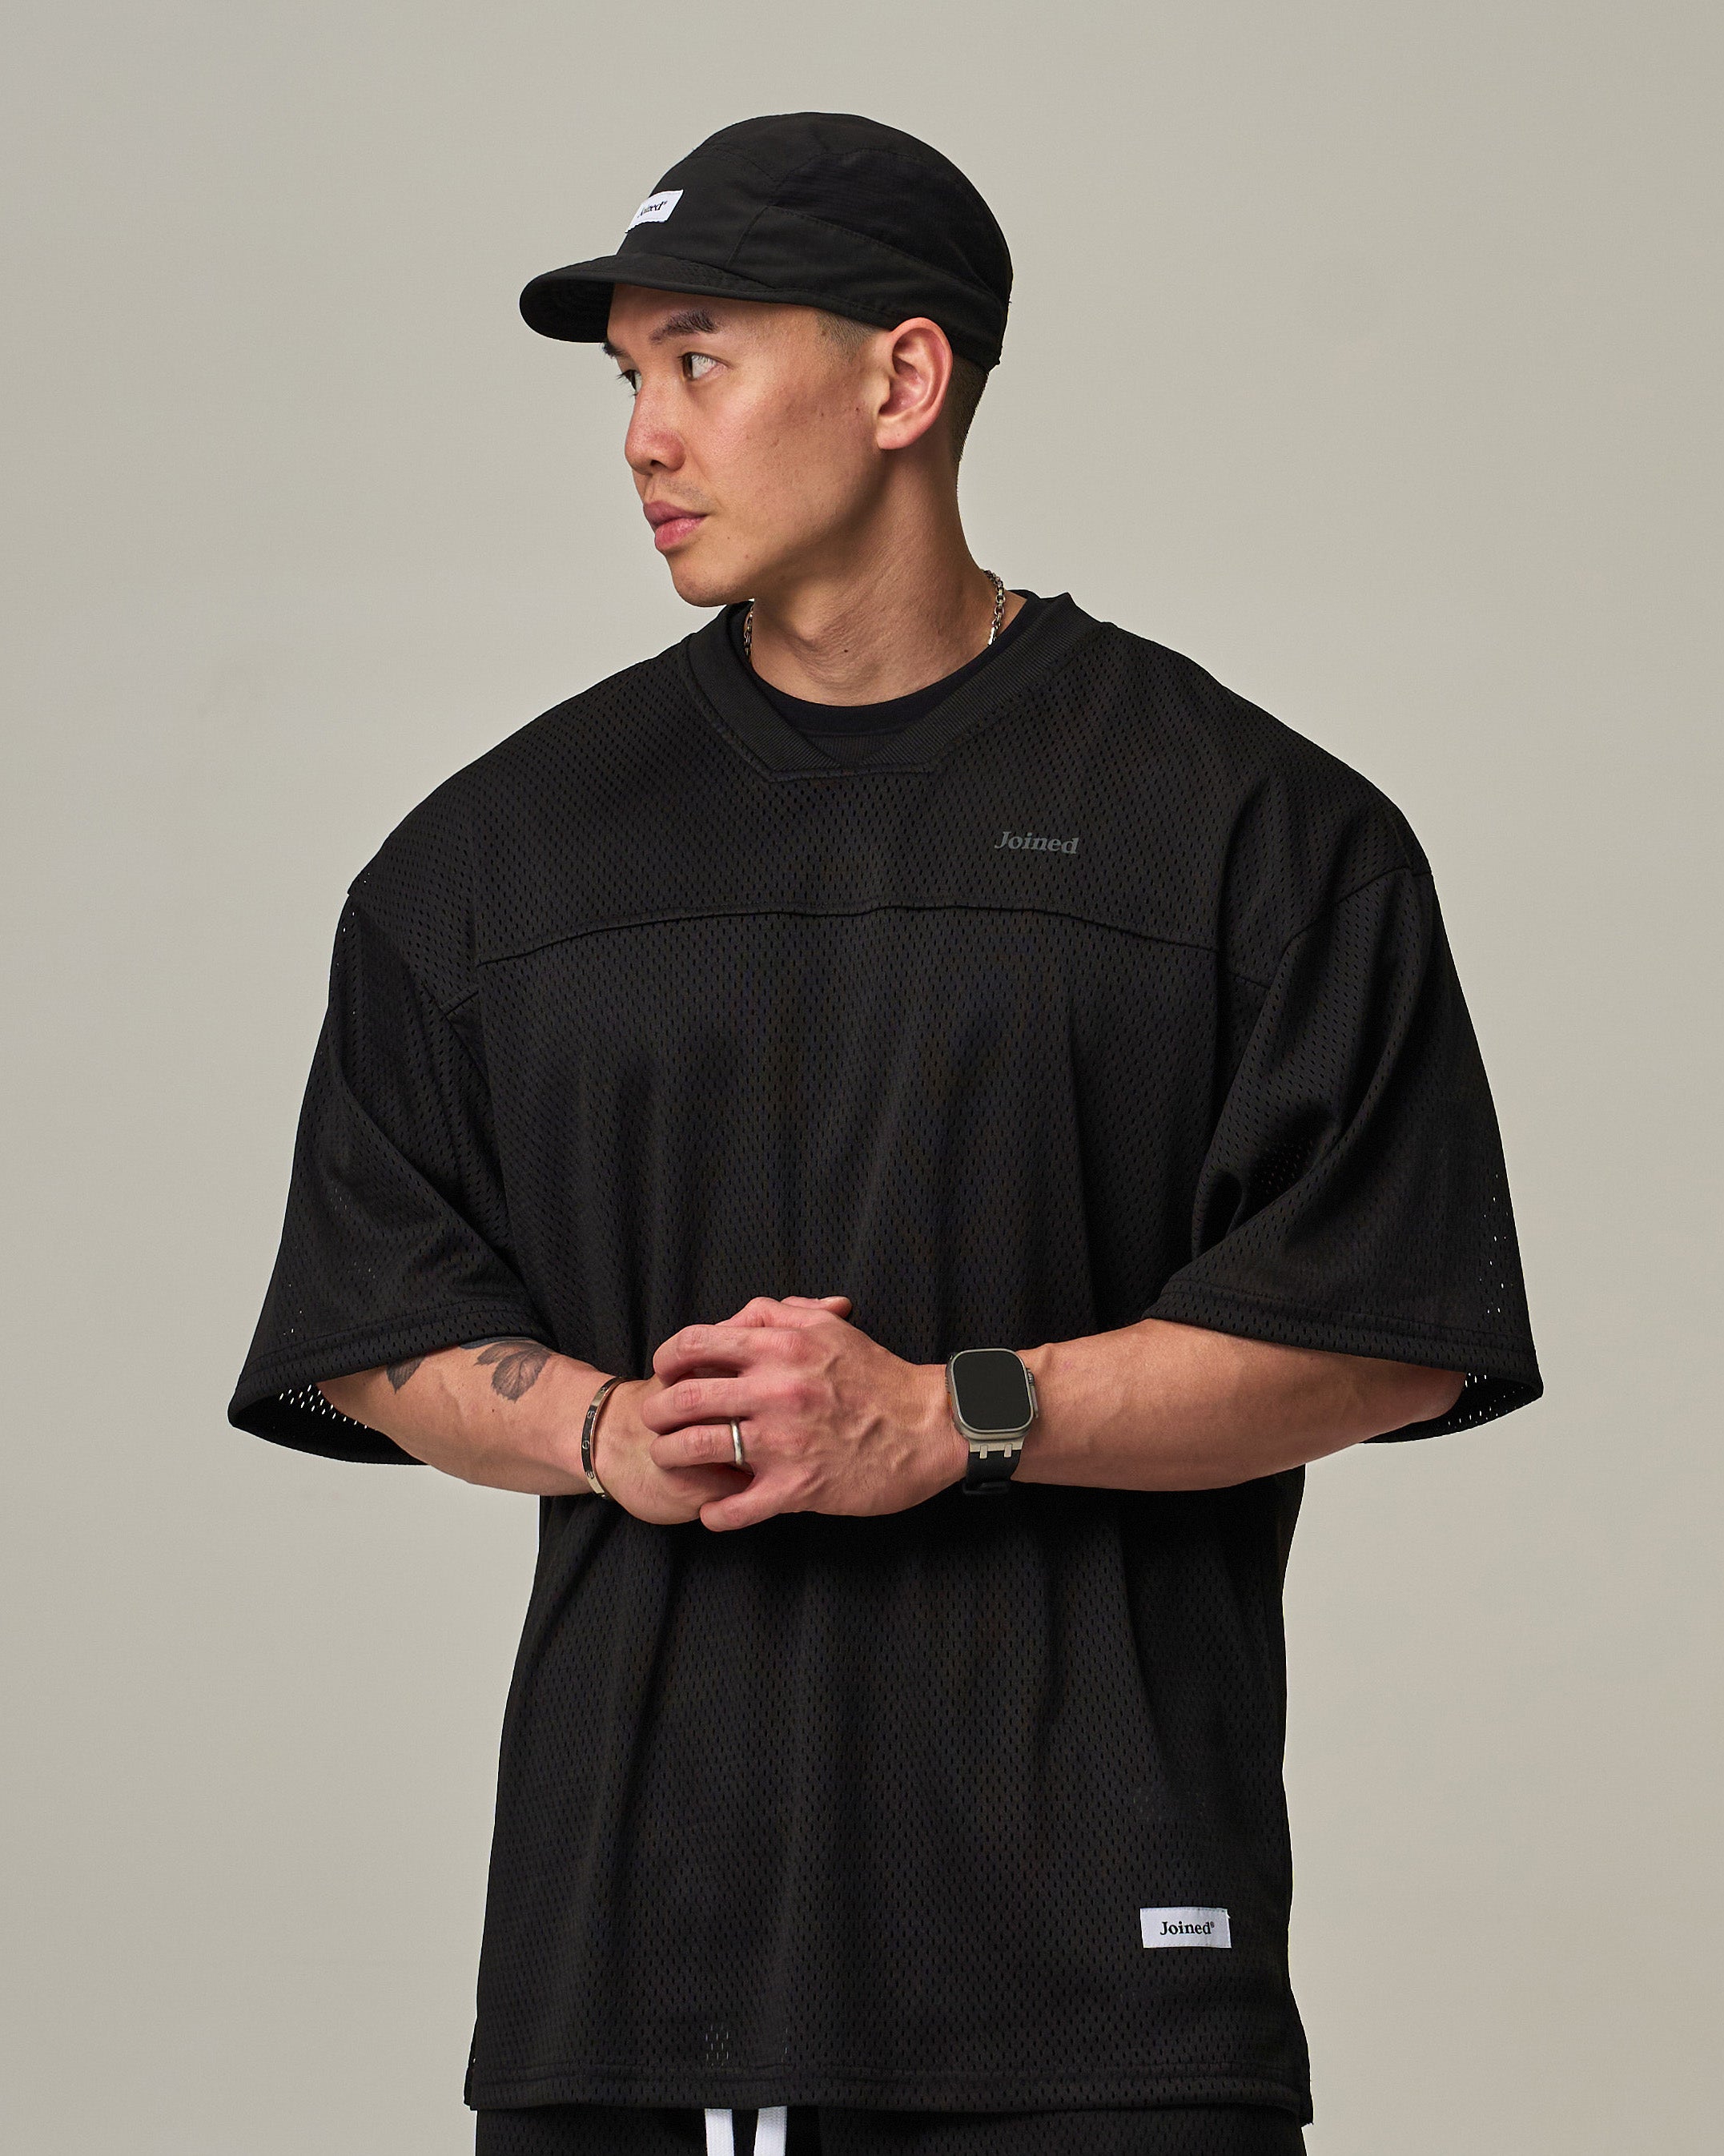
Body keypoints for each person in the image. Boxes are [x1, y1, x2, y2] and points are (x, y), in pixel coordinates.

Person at [230, 112, 1541, 2156]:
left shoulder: (1252, 834)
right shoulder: (490, 862)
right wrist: (599, 1426)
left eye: (700, 359)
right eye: (627, 377)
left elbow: (1384, 1332)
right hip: (631, 1981)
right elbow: (372, 1315)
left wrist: (953, 1413)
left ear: (904, 380)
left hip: (1104, 1987)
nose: (644, 436)